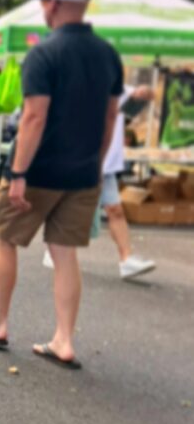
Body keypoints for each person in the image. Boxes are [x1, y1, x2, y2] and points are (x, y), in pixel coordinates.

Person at [0, 0, 122, 370]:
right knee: (64, 254)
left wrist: (18, 173)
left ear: (54, 4)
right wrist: (96, 167)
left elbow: (34, 116)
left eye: (46, 2)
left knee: (3, 237)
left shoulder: (44, 53)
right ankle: (64, 340)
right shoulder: (108, 55)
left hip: (39, 170)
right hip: (83, 173)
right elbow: (110, 117)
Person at [43, 84, 156, 280]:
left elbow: (138, 96)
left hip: (106, 162)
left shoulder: (116, 85)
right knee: (70, 209)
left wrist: (144, 93)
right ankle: (55, 250)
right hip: (79, 158)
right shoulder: (76, 81)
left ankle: (126, 259)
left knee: (115, 210)